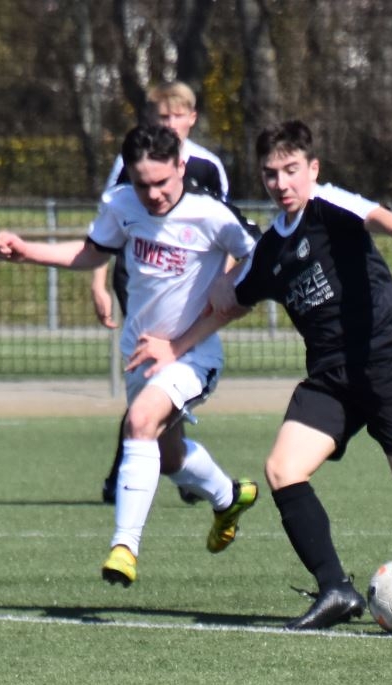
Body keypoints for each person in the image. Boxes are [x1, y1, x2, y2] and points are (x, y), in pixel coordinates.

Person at [127, 119, 392, 629]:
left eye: (291, 170)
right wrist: (175, 344)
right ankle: (336, 589)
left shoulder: (328, 207)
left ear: (313, 169)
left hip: (389, 367)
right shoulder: (270, 250)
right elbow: (230, 306)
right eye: (271, 173)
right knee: (282, 469)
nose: (282, 183)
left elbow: (377, 216)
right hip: (331, 381)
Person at [0, 124, 259, 588]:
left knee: (139, 422)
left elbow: (262, 256)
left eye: (162, 182)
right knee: (168, 458)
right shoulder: (122, 205)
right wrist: (26, 251)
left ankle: (124, 547)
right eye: (142, 184)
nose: (153, 194)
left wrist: (228, 279)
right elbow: (92, 253)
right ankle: (228, 497)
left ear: (181, 166)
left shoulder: (211, 214)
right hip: (141, 357)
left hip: (194, 355)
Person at [93, 80, 231, 506]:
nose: (169, 123)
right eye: (161, 117)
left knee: (160, 385)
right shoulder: (131, 162)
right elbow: (107, 226)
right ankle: (157, 468)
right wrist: (98, 282)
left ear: (192, 119)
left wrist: (224, 282)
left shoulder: (207, 167)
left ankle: (159, 468)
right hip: (142, 278)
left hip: (190, 284)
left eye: (177, 116)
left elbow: (225, 231)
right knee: (151, 376)